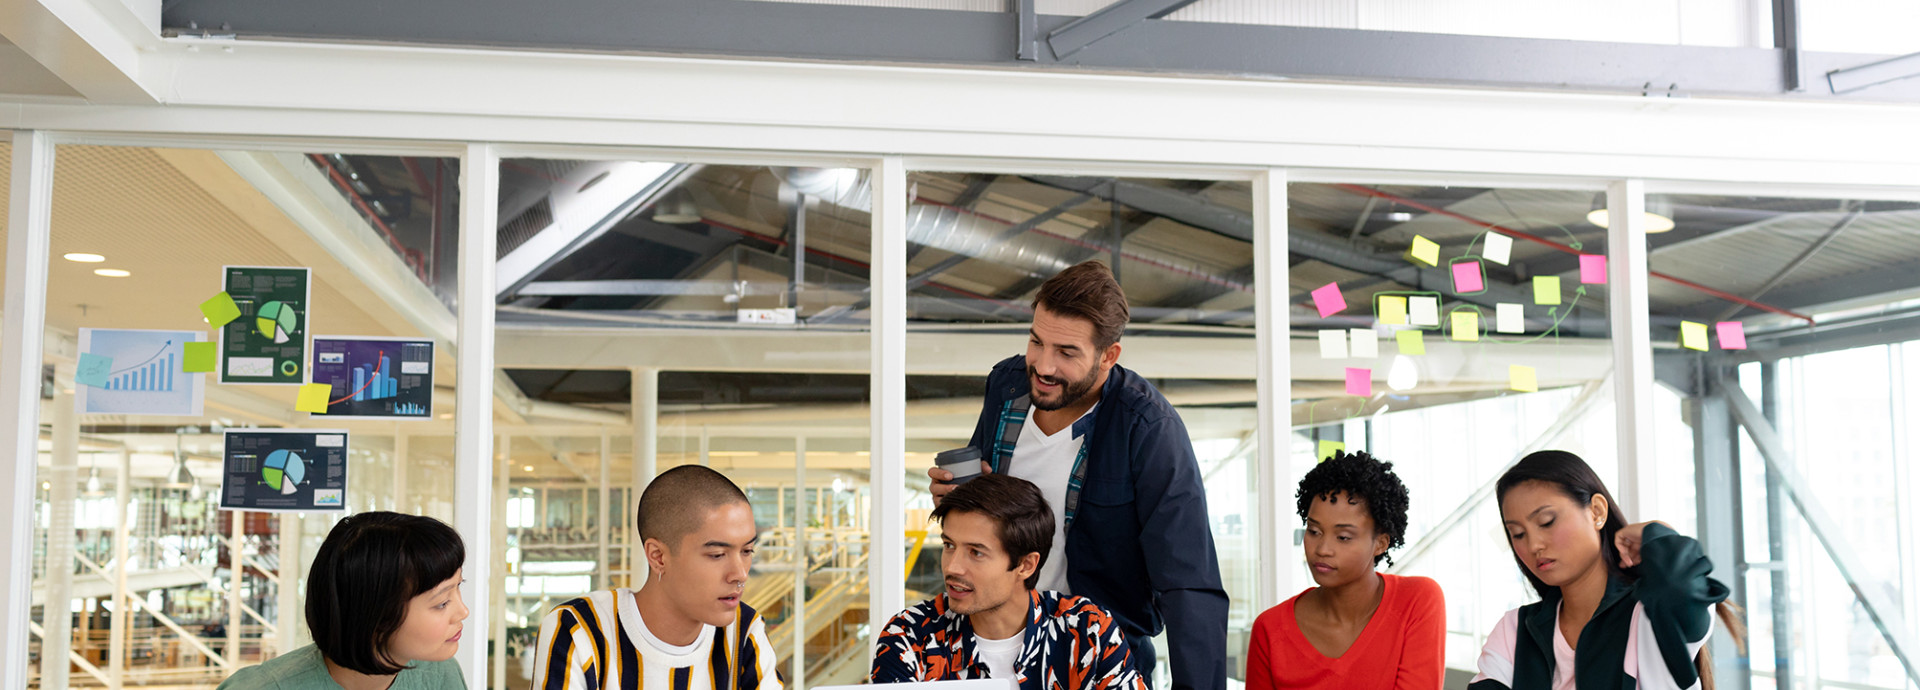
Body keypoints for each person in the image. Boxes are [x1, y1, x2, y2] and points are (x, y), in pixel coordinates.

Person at [929, 260, 1227, 690]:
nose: (1044, 366)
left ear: (1109, 356)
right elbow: (986, 510)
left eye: (1067, 353)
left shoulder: (1149, 430)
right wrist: (956, 500)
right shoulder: (1007, 387)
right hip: (999, 645)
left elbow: (1189, 584)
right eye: (1036, 342)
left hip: (1101, 658)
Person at [1471, 450, 1747, 690]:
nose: (1533, 545)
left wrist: (1657, 536)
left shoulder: (1650, 616)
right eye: (1517, 534)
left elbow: (1681, 588)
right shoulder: (1515, 631)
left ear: (1597, 512)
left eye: (1547, 521)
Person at [872, 473, 1146, 690]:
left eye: (976, 552)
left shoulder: (1086, 631)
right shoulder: (909, 636)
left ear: (1026, 565)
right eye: (949, 545)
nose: (952, 567)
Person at [532, 465, 782, 690]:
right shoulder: (580, 629)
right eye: (717, 555)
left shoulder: (745, 633)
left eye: (747, 551)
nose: (740, 573)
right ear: (658, 556)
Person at [1247, 450, 1444, 690]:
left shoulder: (1416, 601)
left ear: (1381, 543)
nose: (1322, 549)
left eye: (1343, 537)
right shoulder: (1269, 629)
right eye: (1314, 531)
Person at [218, 511, 467, 690]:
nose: (463, 611)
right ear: (375, 614)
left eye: (459, 588)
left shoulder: (440, 674)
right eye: (442, 603)